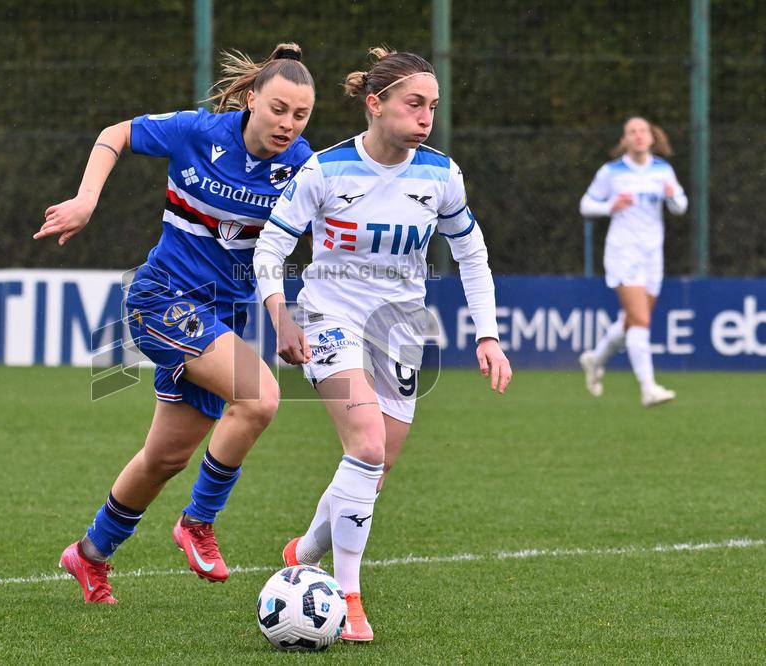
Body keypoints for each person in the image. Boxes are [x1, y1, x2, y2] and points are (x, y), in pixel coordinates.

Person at [34, 43, 315, 603]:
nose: (288, 123)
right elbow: (115, 133)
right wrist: (87, 199)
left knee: (166, 457)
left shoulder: (304, 165)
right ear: (252, 98)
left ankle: (90, 555)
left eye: (300, 114)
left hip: (220, 317)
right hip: (162, 299)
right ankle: (197, 523)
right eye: (278, 108)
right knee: (259, 398)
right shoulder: (197, 132)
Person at [253, 47, 512, 642]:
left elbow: (471, 254)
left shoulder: (441, 175)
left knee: (377, 467)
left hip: (401, 330)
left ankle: (305, 550)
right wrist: (282, 319)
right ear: (375, 105)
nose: (426, 117)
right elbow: (269, 251)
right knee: (367, 445)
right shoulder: (323, 170)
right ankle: (348, 600)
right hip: (328, 317)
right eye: (413, 104)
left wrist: (489, 335)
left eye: (433, 106)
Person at [578, 117, 687, 406]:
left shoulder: (663, 170)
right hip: (622, 252)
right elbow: (586, 204)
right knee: (640, 319)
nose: (638, 136)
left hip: (653, 255)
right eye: (632, 132)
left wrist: (672, 194)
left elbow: (681, 207)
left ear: (652, 138)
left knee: (631, 321)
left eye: (643, 131)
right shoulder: (611, 172)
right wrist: (608, 207)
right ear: (624, 140)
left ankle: (595, 359)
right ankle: (648, 387)